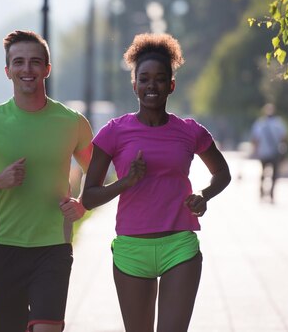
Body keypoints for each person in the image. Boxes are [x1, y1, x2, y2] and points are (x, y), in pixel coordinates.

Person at [81, 33, 231, 332]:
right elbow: (88, 198)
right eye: (144, 79)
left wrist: (204, 194)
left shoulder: (190, 131)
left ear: (171, 85)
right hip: (131, 248)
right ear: (134, 84)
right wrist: (126, 182)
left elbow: (222, 173)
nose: (152, 85)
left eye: (160, 79)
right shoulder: (113, 132)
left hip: (179, 245)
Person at [0, 30, 93, 332]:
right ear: (7, 71)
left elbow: (98, 172)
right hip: (4, 250)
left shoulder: (72, 122)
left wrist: (82, 204)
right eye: (19, 62)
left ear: (47, 69)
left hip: (53, 247)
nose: (27, 70)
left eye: (35, 62)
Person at [250, 103, 288, 202]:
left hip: (263, 153)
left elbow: (255, 139)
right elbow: (284, 138)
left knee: (263, 173)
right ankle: (271, 194)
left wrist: (254, 151)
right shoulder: (279, 123)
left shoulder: (260, 123)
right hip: (275, 153)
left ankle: (262, 192)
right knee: (274, 175)